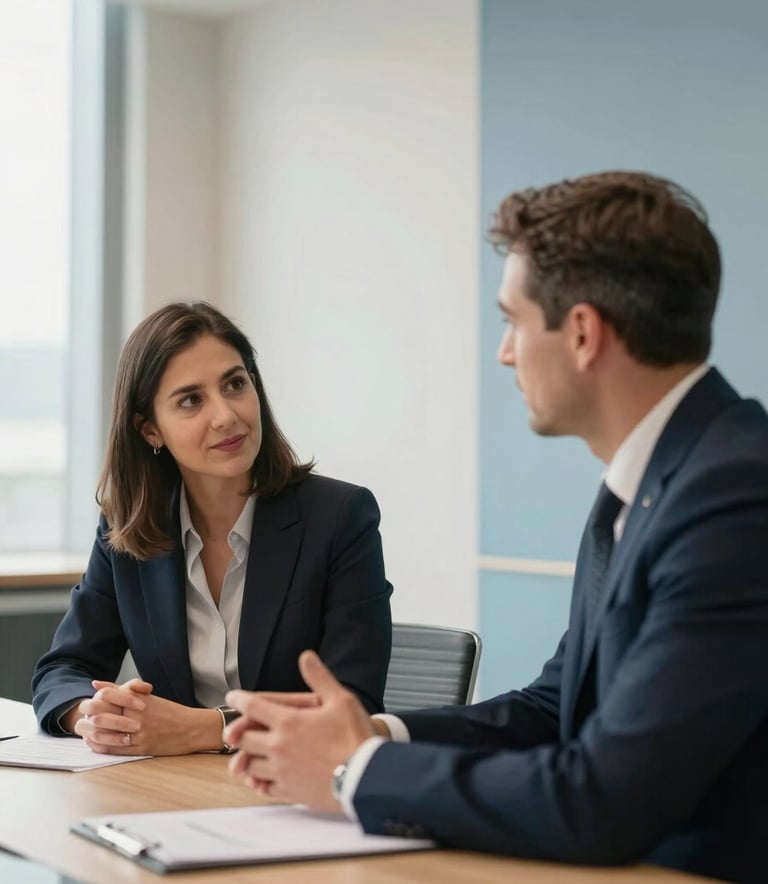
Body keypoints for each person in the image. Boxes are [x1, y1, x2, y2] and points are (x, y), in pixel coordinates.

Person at [222, 172, 768, 884]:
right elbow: (554, 707)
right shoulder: (657, 480)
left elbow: (603, 800)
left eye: (512, 320)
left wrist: (354, 771)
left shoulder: (731, 497)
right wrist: (373, 734)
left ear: (580, 333)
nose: (505, 352)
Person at [32, 302, 392, 756]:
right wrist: (95, 714)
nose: (225, 415)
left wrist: (206, 728)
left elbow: (352, 707)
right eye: (191, 400)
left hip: (293, 791)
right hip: (176, 790)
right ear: (149, 431)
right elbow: (61, 669)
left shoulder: (340, 517)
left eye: (235, 384)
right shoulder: (128, 527)